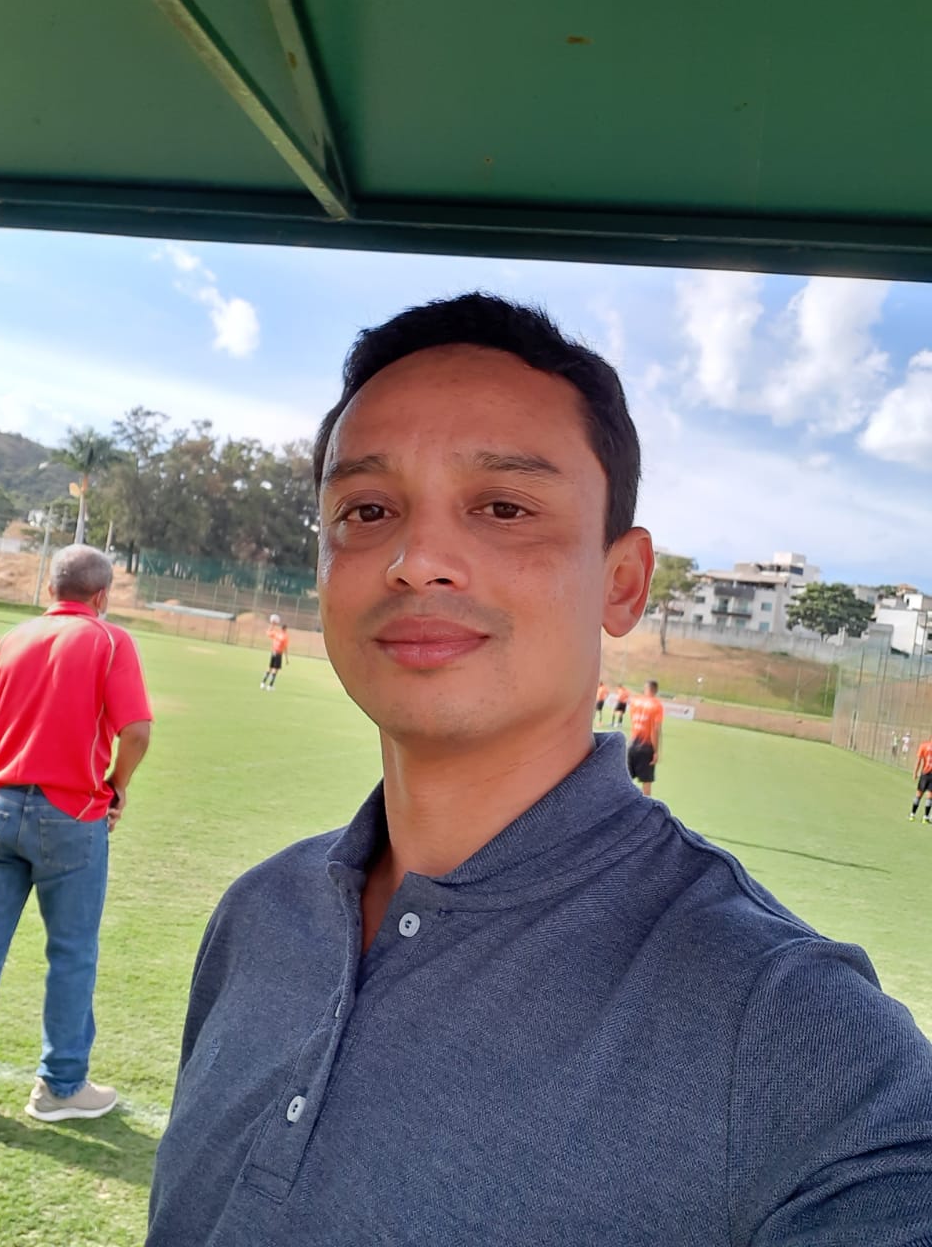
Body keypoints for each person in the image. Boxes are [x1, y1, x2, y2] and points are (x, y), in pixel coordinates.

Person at [148, 293, 932, 1246]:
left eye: (504, 507)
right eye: (367, 510)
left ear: (623, 582)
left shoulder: (788, 1025)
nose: (417, 560)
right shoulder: (257, 915)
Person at [0, 545, 152, 1125]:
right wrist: (116, 787)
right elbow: (137, 731)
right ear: (102, 596)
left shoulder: (8, 640)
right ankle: (61, 1086)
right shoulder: (109, 640)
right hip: (72, 814)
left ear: (51, 590)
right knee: (72, 953)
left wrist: (10, 762)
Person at [627, 678, 664, 797]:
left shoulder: (635, 702)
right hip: (646, 747)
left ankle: (620, 804)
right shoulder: (657, 705)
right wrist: (656, 751)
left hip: (632, 744)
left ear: (645, 689)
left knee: (627, 779)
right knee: (646, 782)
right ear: (656, 690)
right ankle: (645, 807)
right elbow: (655, 729)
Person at [260, 616, 289, 690]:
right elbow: (285, 648)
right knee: (275, 670)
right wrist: (286, 659)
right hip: (278, 654)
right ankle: (270, 685)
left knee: (269, 668)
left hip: (273, 653)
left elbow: (267, 633)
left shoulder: (276, 634)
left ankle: (263, 683)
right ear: (285, 629)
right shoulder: (285, 637)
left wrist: (272, 625)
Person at [909, 734, 932, 823]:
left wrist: (915, 772)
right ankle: (925, 817)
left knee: (918, 794)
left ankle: (912, 815)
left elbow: (918, 760)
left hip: (925, 774)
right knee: (930, 796)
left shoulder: (924, 745)